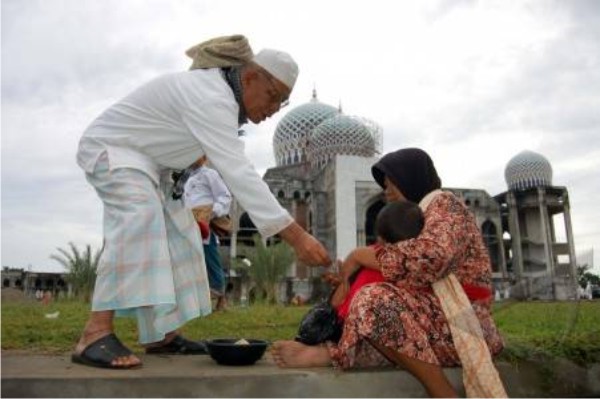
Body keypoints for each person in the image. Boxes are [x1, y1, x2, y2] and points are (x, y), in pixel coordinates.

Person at [73, 35, 331, 370]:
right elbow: (239, 172)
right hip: (113, 149)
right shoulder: (212, 95)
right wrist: (297, 236)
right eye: (272, 97)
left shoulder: (222, 98)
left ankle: (160, 334)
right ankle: (93, 333)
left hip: (152, 166)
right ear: (250, 77)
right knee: (139, 216)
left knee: (181, 238)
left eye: (280, 103)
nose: (272, 109)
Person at [273, 148, 506, 398]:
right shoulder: (421, 216)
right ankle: (328, 353)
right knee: (375, 316)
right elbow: (403, 266)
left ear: (410, 177)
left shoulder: (446, 206)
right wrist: (349, 276)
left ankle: (443, 393)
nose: (387, 191)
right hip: (435, 320)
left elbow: (430, 259)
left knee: (374, 303)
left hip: (466, 325)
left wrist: (358, 256)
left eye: (390, 182)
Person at [330, 200, 424, 321]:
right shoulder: (425, 273)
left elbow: (338, 309)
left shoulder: (370, 272)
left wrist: (343, 282)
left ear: (381, 239)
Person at [182, 155, 232, 311]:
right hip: (186, 220)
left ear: (203, 157)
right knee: (188, 259)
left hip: (204, 221)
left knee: (209, 258)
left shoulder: (210, 174)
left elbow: (224, 196)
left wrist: (212, 212)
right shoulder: (184, 177)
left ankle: (220, 295)